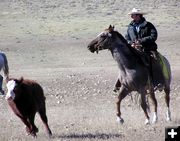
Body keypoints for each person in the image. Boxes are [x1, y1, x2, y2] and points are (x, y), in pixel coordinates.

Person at [113, 8, 162, 92]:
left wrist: (141, 41)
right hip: (134, 49)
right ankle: (119, 83)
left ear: (138, 15)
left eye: (133, 14)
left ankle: (157, 83)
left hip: (148, 49)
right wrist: (130, 42)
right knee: (124, 62)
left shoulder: (148, 25)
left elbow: (153, 36)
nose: (131, 16)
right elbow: (127, 37)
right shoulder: (130, 26)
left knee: (153, 61)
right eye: (131, 15)